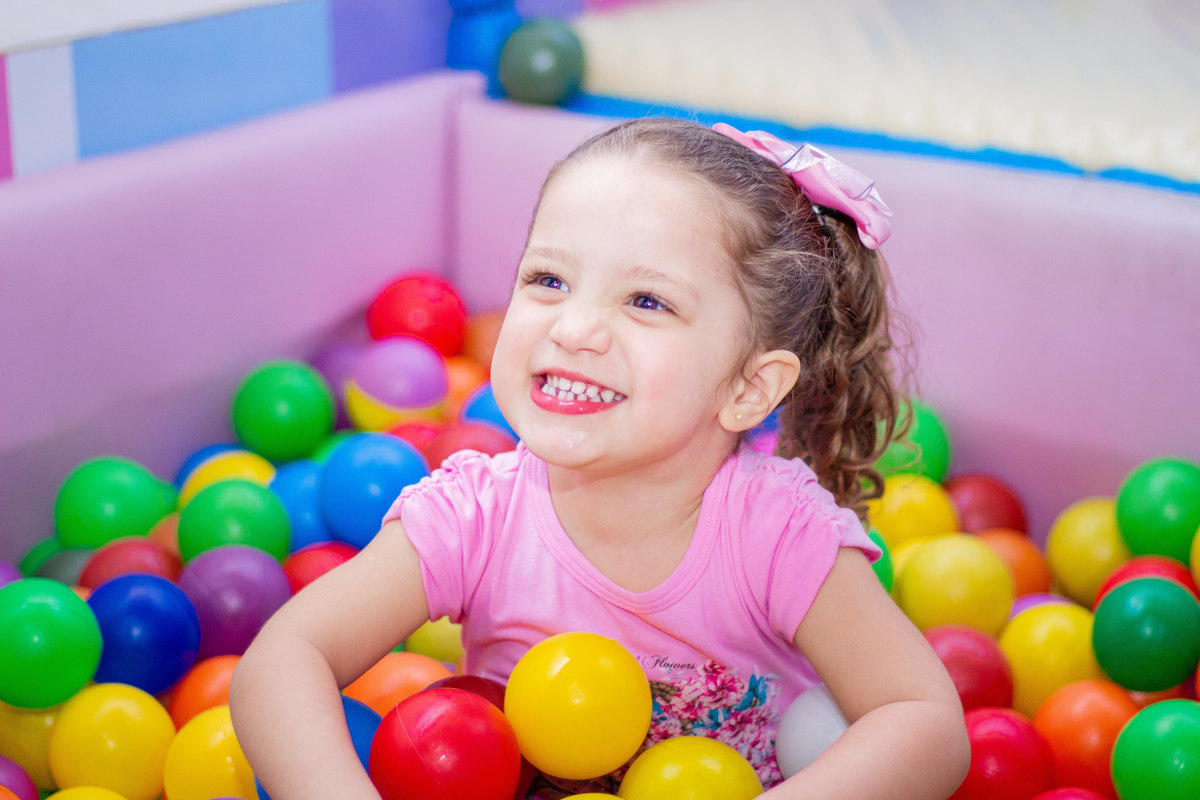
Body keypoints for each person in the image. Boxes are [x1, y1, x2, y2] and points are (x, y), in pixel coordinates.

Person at [230, 117, 970, 799]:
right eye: (548, 280)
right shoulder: (473, 516)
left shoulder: (779, 534)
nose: (576, 327)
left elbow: (924, 721)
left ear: (749, 388)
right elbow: (283, 657)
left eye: (647, 301)